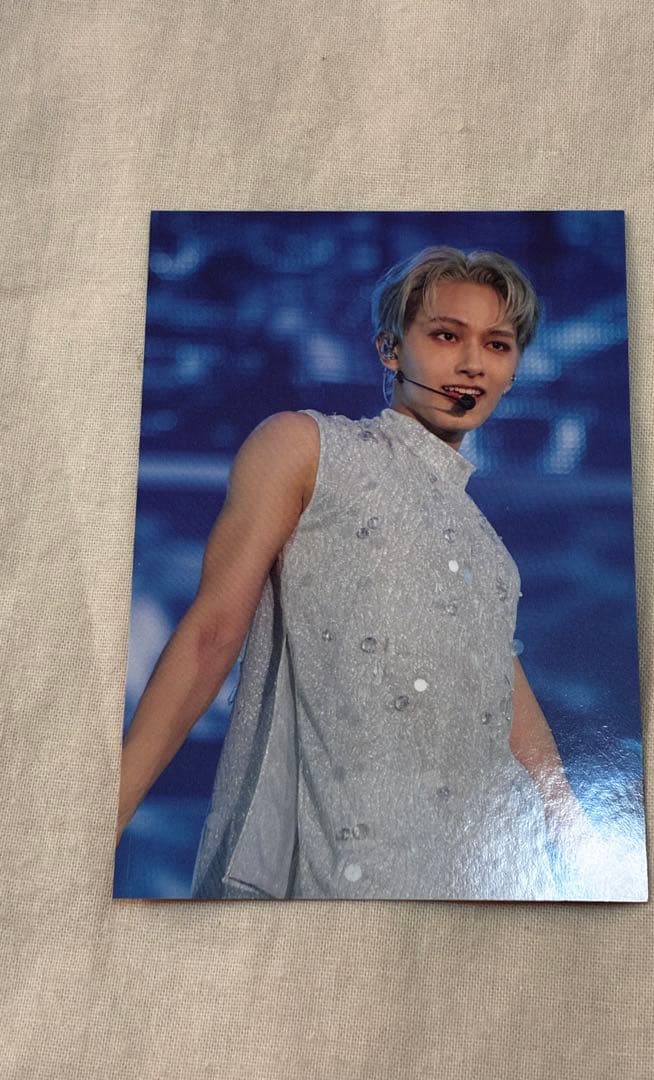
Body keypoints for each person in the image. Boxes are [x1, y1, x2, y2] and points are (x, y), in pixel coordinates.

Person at [116, 245, 591, 900]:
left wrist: (569, 820)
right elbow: (211, 634)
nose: (473, 364)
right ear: (391, 349)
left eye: (498, 345)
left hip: (476, 867)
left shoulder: (487, 549)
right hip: (343, 856)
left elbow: (500, 684)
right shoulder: (307, 447)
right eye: (446, 335)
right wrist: (103, 819)